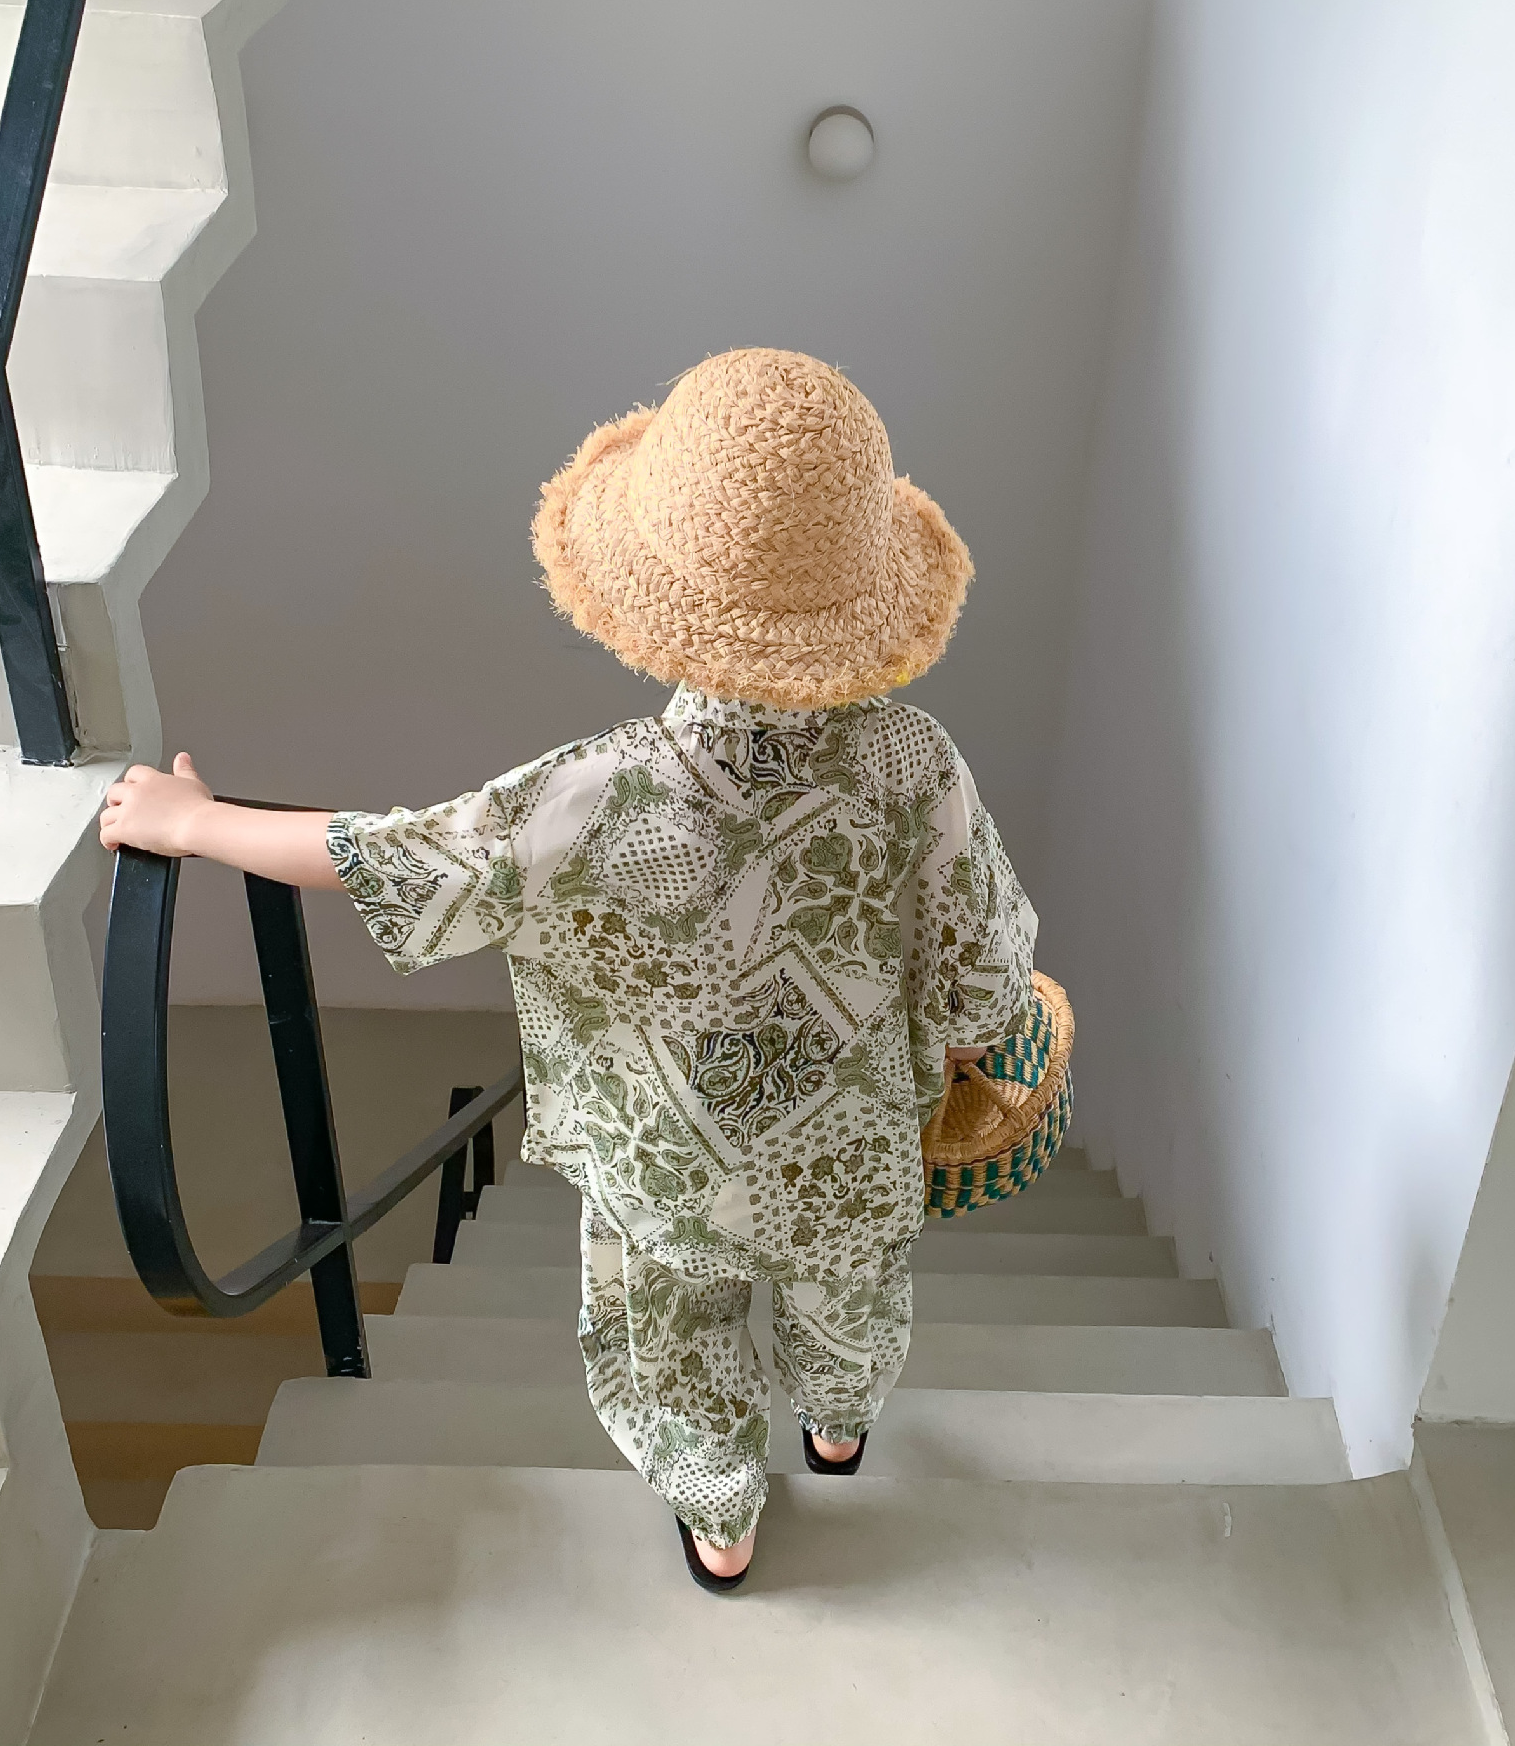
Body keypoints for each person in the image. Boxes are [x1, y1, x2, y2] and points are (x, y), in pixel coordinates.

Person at [99, 347, 1037, 1592]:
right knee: (849, 1293)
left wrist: (195, 824)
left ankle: (722, 1520)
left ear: (661, 593)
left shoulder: (598, 794)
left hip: (670, 1165)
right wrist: (971, 1037)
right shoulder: (919, 761)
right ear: (862, 589)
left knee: (675, 1332)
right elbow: (980, 963)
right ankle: (837, 1423)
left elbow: (403, 857)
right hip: (852, 1148)